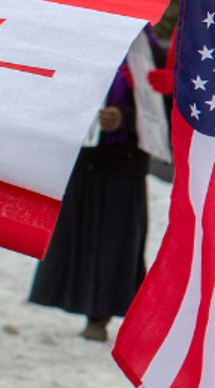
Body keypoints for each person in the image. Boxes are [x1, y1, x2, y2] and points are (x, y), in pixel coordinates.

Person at [29, 56, 152, 341]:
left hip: (125, 165)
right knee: (77, 235)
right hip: (84, 159)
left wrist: (125, 117)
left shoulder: (147, 58)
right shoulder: (88, 49)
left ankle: (100, 317)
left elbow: (161, 108)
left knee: (115, 244)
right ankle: (69, 298)